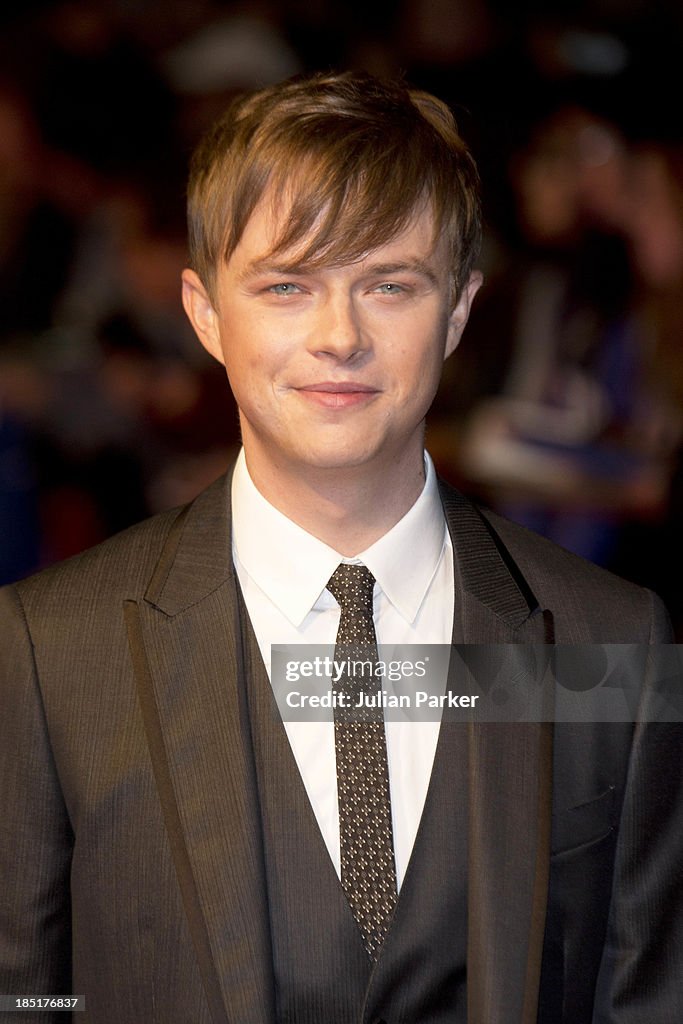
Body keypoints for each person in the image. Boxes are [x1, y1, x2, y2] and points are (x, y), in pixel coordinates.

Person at [0, 71, 681, 1024]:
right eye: (287, 286)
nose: (339, 337)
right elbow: (28, 998)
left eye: (388, 285)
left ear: (457, 312)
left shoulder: (613, 644)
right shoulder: (46, 653)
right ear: (204, 312)